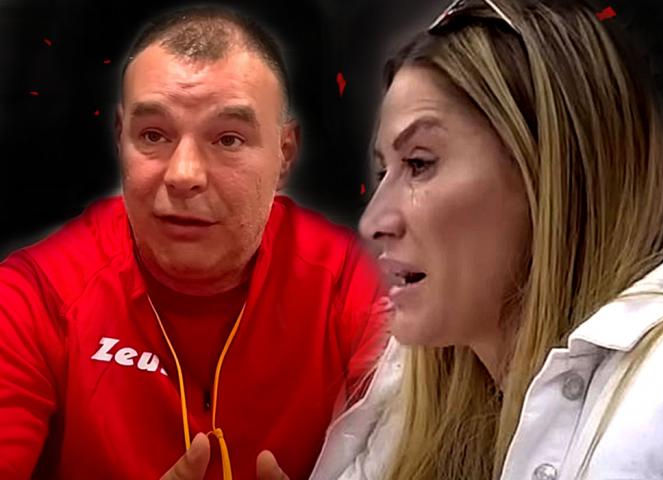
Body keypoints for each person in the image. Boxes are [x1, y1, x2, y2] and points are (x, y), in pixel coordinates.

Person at [0, 5, 387, 480]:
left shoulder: (350, 283)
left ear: (284, 154)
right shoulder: (33, 295)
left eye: (228, 140)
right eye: (153, 135)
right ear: (121, 139)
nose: (183, 174)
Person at [310, 0, 663, 479]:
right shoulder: (409, 387)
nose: (374, 222)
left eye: (419, 164)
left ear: (550, 174)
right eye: (384, 172)